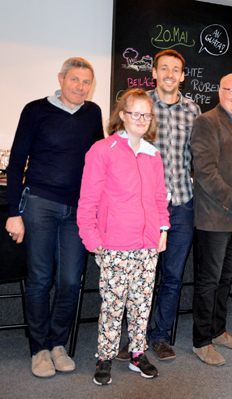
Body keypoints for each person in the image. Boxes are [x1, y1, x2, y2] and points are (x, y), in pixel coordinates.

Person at [5, 57, 103, 378]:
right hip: (39, 204)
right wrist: (12, 213)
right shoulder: (36, 110)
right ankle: (39, 348)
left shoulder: (93, 114)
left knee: (71, 280)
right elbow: (17, 161)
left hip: (78, 210)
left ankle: (58, 342)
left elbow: (98, 164)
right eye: (75, 80)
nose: (80, 87)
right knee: (40, 279)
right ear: (61, 79)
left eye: (86, 82)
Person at [77, 88, 170, 385]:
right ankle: (105, 356)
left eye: (147, 114)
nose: (141, 119)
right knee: (113, 305)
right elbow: (87, 201)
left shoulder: (153, 154)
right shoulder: (102, 150)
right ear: (122, 115)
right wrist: (92, 241)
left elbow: (159, 197)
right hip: (114, 243)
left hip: (147, 244)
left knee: (142, 304)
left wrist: (163, 229)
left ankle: (137, 353)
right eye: (135, 113)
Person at [190, 73, 232, 366]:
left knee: (225, 278)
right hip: (215, 218)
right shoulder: (206, 122)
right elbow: (205, 172)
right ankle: (201, 340)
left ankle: (218, 331)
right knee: (208, 281)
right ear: (220, 92)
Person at [144, 49, 202, 360]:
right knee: (141, 274)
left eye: (175, 69)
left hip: (181, 204)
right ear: (154, 72)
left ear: (182, 75)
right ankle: (134, 336)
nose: (169, 74)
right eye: (163, 68)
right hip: (144, 207)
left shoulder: (193, 111)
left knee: (173, 275)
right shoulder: (140, 106)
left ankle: (161, 335)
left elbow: (200, 158)